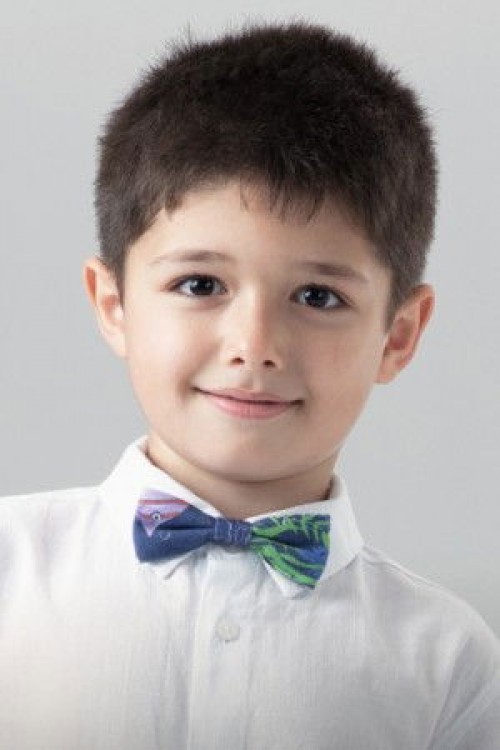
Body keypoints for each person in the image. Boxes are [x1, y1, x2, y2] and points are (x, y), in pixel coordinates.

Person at [1, 20, 499, 750]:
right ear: (114, 305)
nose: (255, 347)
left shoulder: (446, 660)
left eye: (318, 297)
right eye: (200, 284)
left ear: (398, 335)